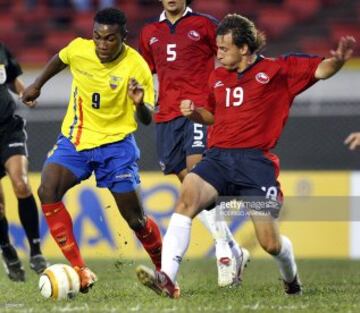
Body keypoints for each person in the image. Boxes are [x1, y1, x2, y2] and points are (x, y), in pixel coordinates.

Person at [136, 14, 356, 298]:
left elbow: (321, 70)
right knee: (188, 195)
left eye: (224, 48)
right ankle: (167, 277)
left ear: (244, 48)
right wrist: (195, 114)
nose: (219, 54)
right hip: (217, 158)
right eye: (217, 48)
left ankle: (291, 280)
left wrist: (337, 61)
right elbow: (213, 116)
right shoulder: (217, 76)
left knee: (270, 244)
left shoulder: (279, 70)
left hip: (255, 164)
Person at [22, 8, 164, 294]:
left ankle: (165, 273)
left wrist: (138, 104)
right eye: (97, 37)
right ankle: (80, 270)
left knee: (135, 220)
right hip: (76, 139)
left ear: (123, 37)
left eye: (110, 39)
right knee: (47, 190)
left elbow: (148, 117)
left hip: (116, 145)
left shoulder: (137, 66)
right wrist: (37, 84)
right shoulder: (79, 49)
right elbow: (60, 59)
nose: (102, 45)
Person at [138, 0, 248, 287]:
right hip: (166, 116)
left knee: (197, 174)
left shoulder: (205, 24)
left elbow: (229, 57)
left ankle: (223, 251)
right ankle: (235, 249)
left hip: (198, 111)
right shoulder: (150, 31)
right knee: (188, 181)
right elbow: (146, 71)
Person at [0, 42, 49, 282]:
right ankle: (8, 251)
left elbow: (10, 77)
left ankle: (36, 251)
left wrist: (23, 93)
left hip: (8, 128)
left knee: (21, 183)